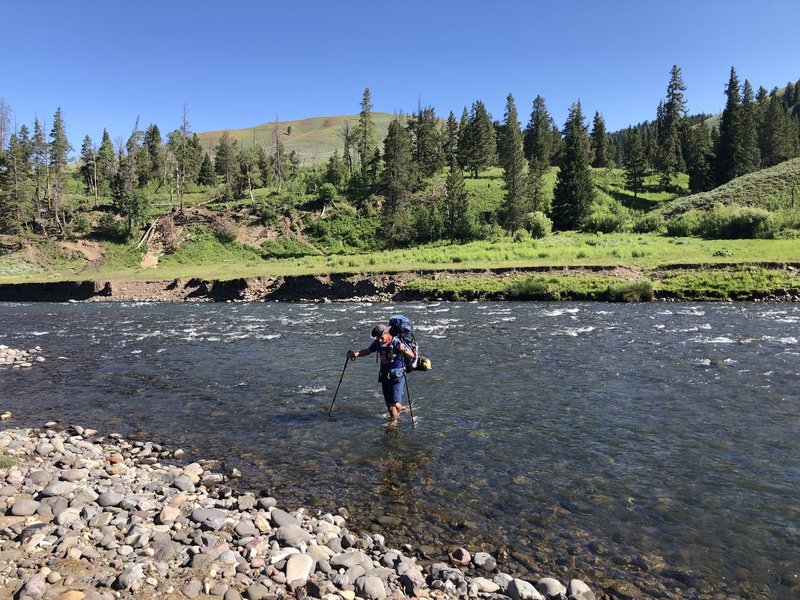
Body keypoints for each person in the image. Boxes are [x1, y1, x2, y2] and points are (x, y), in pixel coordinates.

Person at [348, 324, 416, 421]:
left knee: (393, 402)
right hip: (384, 374)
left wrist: (403, 349)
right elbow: (367, 351)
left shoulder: (396, 342)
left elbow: (412, 355)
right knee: (388, 403)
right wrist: (354, 354)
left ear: (387, 333)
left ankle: (395, 422)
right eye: (377, 337)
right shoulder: (377, 343)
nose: (379, 339)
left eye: (381, 337)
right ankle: (400, 413)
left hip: (397, 375)